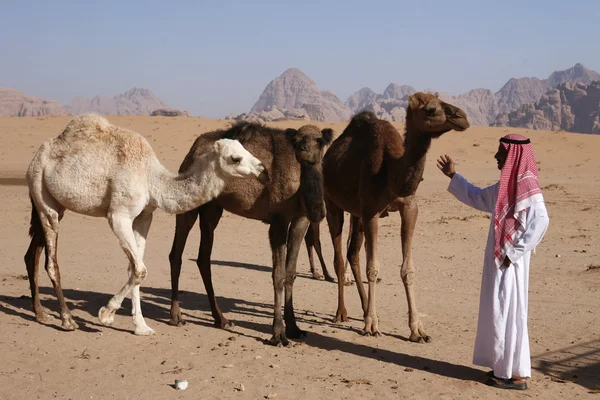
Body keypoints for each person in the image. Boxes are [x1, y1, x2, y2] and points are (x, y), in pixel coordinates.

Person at [437, 134, 550, 390]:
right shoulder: (504, 188)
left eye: (501, 153)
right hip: (502, 261)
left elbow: (541, 221)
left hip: (511, 263)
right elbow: (477, 197)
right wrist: (454, 176)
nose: (497, 157)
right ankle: (505, 368)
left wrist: (514, 252)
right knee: (500, 310)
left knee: (509, 311)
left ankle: (513, 375)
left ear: (513, 156)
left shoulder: (528, 187)